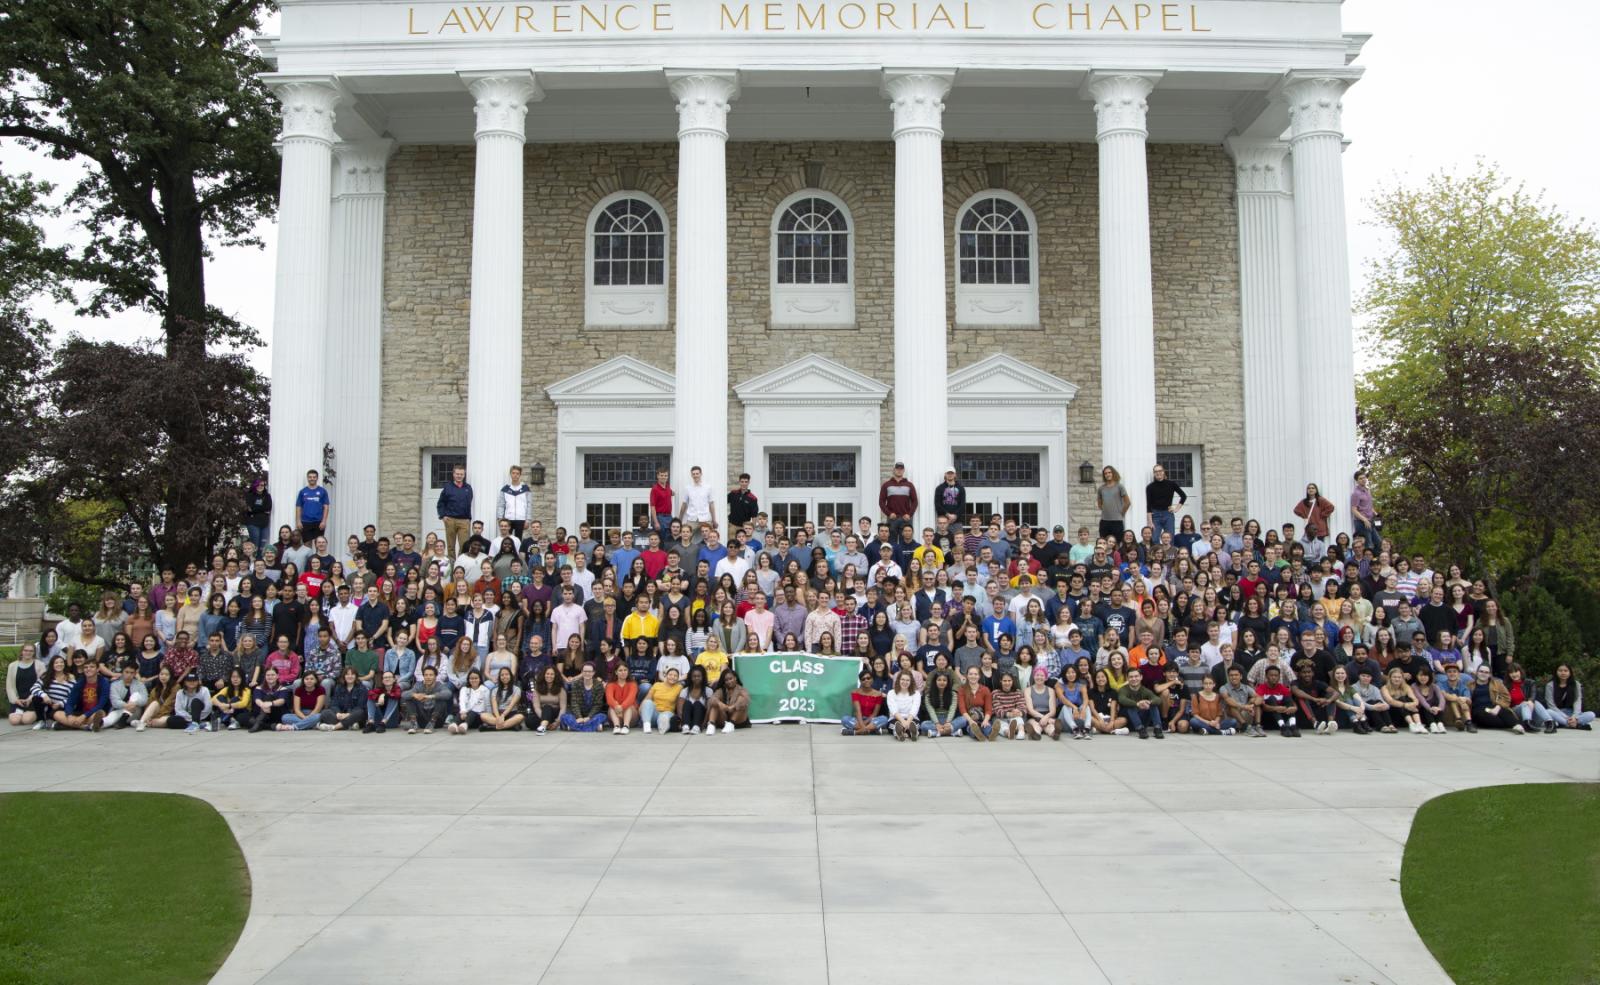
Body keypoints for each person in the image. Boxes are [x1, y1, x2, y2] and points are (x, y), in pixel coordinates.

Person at [1504, 663, 1559, 734]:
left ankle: (1550, 724)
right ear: (1508, 674)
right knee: (1525, 703)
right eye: (1511, 672)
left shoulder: (1530, 683)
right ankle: (1527, 723)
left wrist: (1530, 701)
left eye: (1516, 671)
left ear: (1520, 672)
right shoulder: (1506, 685)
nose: (1514, 674)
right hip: (1516, 713)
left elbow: (1533, 695)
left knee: (1535, 702)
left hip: (1532, 714)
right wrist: (1528, 702)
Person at [1469, 666, 1524, 733]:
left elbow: (1506, 697)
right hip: (1478, 711)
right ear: (1477, 672)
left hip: (1493, 707)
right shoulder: (1470, 685)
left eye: (1486, 672)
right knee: (1482, 716)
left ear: (1490, 674)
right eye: (1481, 671)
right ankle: (1515, 724)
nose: (1483, 674)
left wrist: (1498, 707)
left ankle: (1516, 726)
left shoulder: (1497, 683)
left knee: (1505, 711)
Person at [437, 463, 474, 561]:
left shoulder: (468, 488)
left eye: (461, 474)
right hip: (450, 519)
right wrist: (443, 516)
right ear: (453, 474)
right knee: (450, 546)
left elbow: (469, 503)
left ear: (464, 475)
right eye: (457, 474)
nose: (459, 476)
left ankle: (461, 563)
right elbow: (441, 503)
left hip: (463, 521)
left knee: (464, 545)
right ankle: (452, 563)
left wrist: (468, 519)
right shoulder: (448, 487)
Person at [1544, 662, 1595, 730]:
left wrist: (1574, 716)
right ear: (1556, 672)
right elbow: (1551, 705)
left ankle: (1565, 723)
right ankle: (1575, 725)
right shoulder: (1550, 685)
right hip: (1557, 712)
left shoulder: (1576, 684)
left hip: (1572, 712)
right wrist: (1565, 717)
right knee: (1548, 712)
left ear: (1570, 672)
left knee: (1591, 715)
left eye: (1566, 671)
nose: (1563, 673)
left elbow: (1577, 701)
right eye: (1560, 671)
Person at [1116, 667, 1164, 739]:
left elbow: (1157, 699)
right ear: (1127, 678)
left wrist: (1149, 702)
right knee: (1131, 707)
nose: (1134, 679)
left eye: (1136, 676)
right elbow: (1122, 699)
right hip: (1128, 722)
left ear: (1141, 677)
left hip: (1142, 719)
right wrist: (1137, 704)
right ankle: (1140, 729)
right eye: (1131, 677)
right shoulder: (1123, 689)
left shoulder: (1144, 690)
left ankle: (1157, 728)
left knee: (1153, 705)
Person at [1145, 463, 1187, 542]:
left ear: (1164, 472)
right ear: (1154, 473)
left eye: (1160, 471)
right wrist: (1150, 522)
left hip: (1168, 515)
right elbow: (1148, 506)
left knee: (1170, 539)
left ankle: (1169, 554)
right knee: (1154, 539)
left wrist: (1176, 508)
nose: (1158, 473)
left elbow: (1183, 496)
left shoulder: (1171, 484)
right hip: (1155, 515)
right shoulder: (1150, 487)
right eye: (1156, 471)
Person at [319, 665, 368, 732]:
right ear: (344, 676)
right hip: (341, 715)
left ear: (356, 676)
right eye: (347, 674)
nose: (350, 676)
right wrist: (338, 713)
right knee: (325, 713)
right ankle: (349, 725)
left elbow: (360, 706)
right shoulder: (339, 687)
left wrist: (348, 714)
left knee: (360, 712)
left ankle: (334, 727)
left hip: (354, 715)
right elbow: (334, 704)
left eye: (352, 674)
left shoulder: (362, 688)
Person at [561, 662, 608, 732]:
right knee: (564, 717)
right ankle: (592, 727)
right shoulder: (576, 684)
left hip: (592, 716)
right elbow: (574, 703)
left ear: (593, 672)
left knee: (602, 716)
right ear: (582, 672)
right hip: (577, 716)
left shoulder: (598, 685)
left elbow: (597, 705)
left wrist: (589, 717)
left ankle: (574, 727)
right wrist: (579, 717)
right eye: (585, 671)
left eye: (589, 671)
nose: (587, 673)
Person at [1219, 665, 1263, 737]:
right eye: (1231, 675)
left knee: (1254, 700)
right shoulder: (1223, 688)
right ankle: (1246, 727)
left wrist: (1253, 705)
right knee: (1232, 706)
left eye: (1236, 675)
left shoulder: (1246, 687)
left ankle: (1258, 726)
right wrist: (1244, 707)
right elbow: (1228, 700)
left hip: (1245, 714)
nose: (1233, 677)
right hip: (1231, 718)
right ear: (1228, 677)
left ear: (1241, 676)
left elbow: (1259, 698)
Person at [1256, 665, 1299, 737]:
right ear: (1266, 676)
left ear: (1279, 677)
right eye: (1271, 675)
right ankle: (1283, 727)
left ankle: (1293, 726)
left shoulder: (1283, 688)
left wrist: (1295, 707)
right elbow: (1262, 707)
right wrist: (1276, 708)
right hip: (1268, 717)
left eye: (1276, 675)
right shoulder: (1261, 688)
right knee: (1271, 698)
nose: (1273, 677)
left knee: (1287, 699)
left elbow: (1291, 702)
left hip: (1282, 714)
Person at [920, 669, 965, 738]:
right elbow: (931, 711)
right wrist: (937, 723)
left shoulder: (953, 694)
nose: (942, 682)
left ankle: (937, 733)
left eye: (944, 680)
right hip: (935, 719)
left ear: (948, 682)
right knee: (923, 725)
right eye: (939, 680)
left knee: (963, 719)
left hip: (949, 719)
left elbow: (952, 709)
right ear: (935, 681)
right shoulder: (928, 694)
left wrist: (948, 722)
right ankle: (952, 732)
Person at [406, 664, 451, 734]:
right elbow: (404, 694)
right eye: (426, 675)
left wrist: (429, 696)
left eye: (431, 675)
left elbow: (448, 693)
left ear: (435, 676)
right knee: (409, 698)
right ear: (423, 676)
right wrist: (415, 695)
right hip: (422, 720)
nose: (428, 677)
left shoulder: (439, 685)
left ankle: (431, 723)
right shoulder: (418, 685)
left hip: (437, 721)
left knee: (441, 699)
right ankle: (413, 724)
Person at [842, 669, 888, 736]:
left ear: (872, 679)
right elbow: (858, 711)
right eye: (863, 679)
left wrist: (864, 724)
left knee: (884, 719)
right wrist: (862, 724)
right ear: (860, 681)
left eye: (868, 678)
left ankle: (856, 732)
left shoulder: (878, 694)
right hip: (858, 719)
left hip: (871, 720)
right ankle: (872, 730)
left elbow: (875, 714)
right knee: (844, 719)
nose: (866, 680)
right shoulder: (855, 692)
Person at [5, 642, 42, 728]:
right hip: (18, 700)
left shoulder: (39, 665)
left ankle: (36, 714)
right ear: (22, 651)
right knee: (14, 721)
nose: (28, 653)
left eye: (31, 651)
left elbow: (42, 685)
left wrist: (30, 698)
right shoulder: (12, 666)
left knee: (26, 720)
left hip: (33, 700)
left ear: (34, 653)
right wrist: (15, 700)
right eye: (26, 650)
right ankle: (19, 712)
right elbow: (9, 686)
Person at [877, 462, 918, 539]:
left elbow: (915, 501)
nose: (899, 470)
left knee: (906, 541)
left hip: (906, 519)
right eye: (897, 469)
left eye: (901, 469)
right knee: (891, 542)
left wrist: (909, 514)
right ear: (894, 470)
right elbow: (881, 502)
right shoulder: (886, 485)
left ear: (903, 470)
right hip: (892, 519)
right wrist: (889, 514)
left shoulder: (909, 485)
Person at [1381, 666, 1425, 734]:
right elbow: (1390, 701)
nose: (1397, 679)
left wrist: (1413, 704)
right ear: (1390, 678)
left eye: (1399, 677)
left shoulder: (1406, 687)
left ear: (1402, 678)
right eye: (1394, 677)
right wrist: (1405, 705)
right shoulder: (1385, 688)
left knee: (1408, 699)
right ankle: (1411, 724)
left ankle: (1418, 724)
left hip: (1406, 714)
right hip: (1393, 714)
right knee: (1402, 699)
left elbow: (1415, 699)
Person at [482, 667, 527, 732]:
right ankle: (509, 726)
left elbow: (512, 705)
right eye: (502, 675)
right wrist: (498, 717)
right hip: (497, 714)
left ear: (511, 676)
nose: (504, 676)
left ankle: (493, 727)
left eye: (507, 674)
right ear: (499, 677)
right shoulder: (494, 690)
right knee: (483, 715)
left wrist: (503, 715)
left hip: (511, 713)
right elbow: (494, 706)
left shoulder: (516, 689)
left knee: (520, 717)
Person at [642, 666, 682, 734]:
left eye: (675, 676)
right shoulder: (657, 685)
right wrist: (641, 711)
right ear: (665, 675)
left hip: (667, 712)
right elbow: (646, 699)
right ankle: (646, 725)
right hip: (654, 713)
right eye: (670, 675)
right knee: (648, 702)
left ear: (678, 678)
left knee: (664, 717)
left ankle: (663, 727)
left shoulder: (679, 687)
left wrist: (680, 719)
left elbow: (679, 704)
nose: (672, 677)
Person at [708, 668, 750, 733]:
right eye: (726, 680)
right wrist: (720, 704)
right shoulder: (721, 690)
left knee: (742, 700)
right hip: (724, 719)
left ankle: (731, 724)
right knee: (715, 703)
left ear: (735, 678)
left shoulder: (741, 689)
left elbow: (746, 699)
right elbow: (712, 699)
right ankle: (711, 725)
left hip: (738, 720)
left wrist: (732, 707)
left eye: (731, 679)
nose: (729, 681)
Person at [294, 469, 331, 542]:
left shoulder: (322, 491)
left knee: (319, 542)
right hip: (305, 521)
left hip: (319, 521)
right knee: (307, 543)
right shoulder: (302, 492)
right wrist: (298, 521)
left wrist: (324, 521)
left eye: (314, 477)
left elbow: (326, 507)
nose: (312, 479)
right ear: (307, 478)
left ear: (317, 478)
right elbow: (298, 507)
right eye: (310, 477)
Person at [885, 669, 920, 741]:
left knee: (916, 725)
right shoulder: (891, 693)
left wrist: (908, 721)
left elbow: (915, 709)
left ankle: (908, 731)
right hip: (896, 719)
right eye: (902, 679)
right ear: (898, 680)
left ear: (911, 682)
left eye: (907, 680)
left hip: (912, 719)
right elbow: (893, 710)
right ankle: (903, 731)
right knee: (893, 725)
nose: (905, 682)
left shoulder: (916, 693)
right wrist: (903, 721)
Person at [530, 665, 566, 734]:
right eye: (547, 674)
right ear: (544, 675)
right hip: (542, 713)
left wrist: (557, 722)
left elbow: (563, 708)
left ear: (555, 676)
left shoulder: (561, 690)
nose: (549, 676)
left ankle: (543, 726)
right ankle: (547, 724)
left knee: (547, 707)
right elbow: (536, 707)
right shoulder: (537, 689)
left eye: (552, 674)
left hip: (554, 714)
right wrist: (544, 718)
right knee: (529, 721)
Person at [1097, 466, 1130, 539]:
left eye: (1109, 472)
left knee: (1117, 544)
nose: (1107, 474)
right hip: (1104, 521)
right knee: (1103, 543)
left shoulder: (1119, 487)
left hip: (1117, 521)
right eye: (1105, 473)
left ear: (1113, 473)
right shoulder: (1101, 488)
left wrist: (1122, 513)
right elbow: (1099, 504)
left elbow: (1127, 502)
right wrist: (1106, 510)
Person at [604, 662, 638, 734]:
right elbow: (609, 699)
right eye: (620, 670)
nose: (623, 672)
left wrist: (621, 707)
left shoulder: (633, 684)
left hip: (631, 716)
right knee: (612, 706)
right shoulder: (610, 684)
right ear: (616, 672)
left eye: (625, 670)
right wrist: (616, 706)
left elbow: (630, 699)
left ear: (628, 671)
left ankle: (626, 726)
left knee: (629, 706)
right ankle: (616, 726)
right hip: (615, 715)